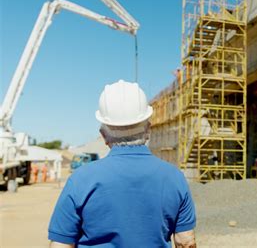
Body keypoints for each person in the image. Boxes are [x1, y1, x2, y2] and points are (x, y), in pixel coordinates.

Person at [48, 80, 196, 248]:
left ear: (103, 135)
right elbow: (186, 241)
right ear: (148, 130)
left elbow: (61, 244)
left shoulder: (81, 179)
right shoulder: (174, 177)